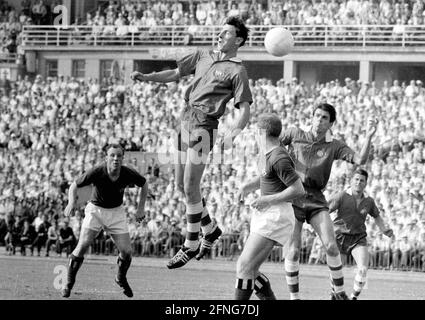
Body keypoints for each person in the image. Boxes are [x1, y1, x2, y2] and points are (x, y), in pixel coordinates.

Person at [130, 16, 252, 269]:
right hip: (185, 120)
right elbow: (175, 73)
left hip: (204, 125)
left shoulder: (237, 70)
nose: (220, 35)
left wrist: (234, 133)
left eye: (227, 33)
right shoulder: (202, 55)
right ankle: (211, 229)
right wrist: (146, 77)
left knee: (190, 184)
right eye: (221, 31)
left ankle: (191, 243)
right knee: (179, 186)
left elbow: (244, 109)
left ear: (238, 40)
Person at [280, 103, 378, 300]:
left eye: (324, 117)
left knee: (331, 247)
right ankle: (295, 298)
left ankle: (339, 293)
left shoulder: (334, 145)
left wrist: (368, 136)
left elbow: (359, 159)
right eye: (317, 115)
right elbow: (272, 145)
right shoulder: (294, 133)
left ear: (331, 123)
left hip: (316, 198)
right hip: (293, 195)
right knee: (293, 250)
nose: (319, 120)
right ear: (311, 117)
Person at [61, 144, 148, 298]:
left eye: (119, 156)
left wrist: (140, 208)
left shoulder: (127, 173)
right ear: (106, 157)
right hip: (96, 210)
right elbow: (74, 185)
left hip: (116, 212)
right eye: (112, 155)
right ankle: (68, 283)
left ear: (123, 158)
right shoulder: (98, 171)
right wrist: (71, 203)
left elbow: (144, 183)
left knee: (127, 252)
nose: (116, 159)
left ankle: (120, 278)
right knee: (82, 246)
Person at [234, 114, 304, 300]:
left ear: (262, 132)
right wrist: (247, 187)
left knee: (244, 266)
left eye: (256, 132)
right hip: (268, 213)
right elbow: (266, 178)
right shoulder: (268, 154)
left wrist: (267, 200)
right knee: (251, 270)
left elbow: (298, 189)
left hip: (276, 214)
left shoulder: (279, 156)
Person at [328, 169, 394, 300]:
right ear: (351, 181)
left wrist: (384, 229)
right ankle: (333, 294)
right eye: (356, 179)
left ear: (366, 183)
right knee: (336, 271)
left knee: (363, 269)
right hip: (339, 237)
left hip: (358, 238)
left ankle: (353, 298)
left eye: (362, 180)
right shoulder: (341, 196)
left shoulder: (369, 201)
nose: (358, 182)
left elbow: (377, 217)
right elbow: (324, 210)